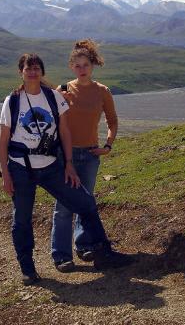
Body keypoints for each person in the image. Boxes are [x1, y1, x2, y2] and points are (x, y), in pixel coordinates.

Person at [0, 53, 132, 285]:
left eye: (36, 68)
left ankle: (102, 253)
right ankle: (28, 268)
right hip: (21, 168)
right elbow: (3, 140)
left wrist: (68, 164)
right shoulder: (13, 101)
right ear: (21, 72)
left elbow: (64, 132)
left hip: (51, 166)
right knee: (21, 219)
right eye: (28, 68)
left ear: (42, 71)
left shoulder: (53, 98)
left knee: (85, 202)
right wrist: (6, 174)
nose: (32, 72)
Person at [51, 39, 118, 272]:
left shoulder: (102, 92)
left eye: (85, 65)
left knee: (85, 201)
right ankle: (61, 255)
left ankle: (84, 245)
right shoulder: (62, 91)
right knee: (64, 205)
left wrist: (107, 145)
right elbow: (50, 120)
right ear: (72, 67)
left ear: (92, 65)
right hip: (65, 155)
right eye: (77, 65)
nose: (82, 69)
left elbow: (112, 121)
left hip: (90, 154)